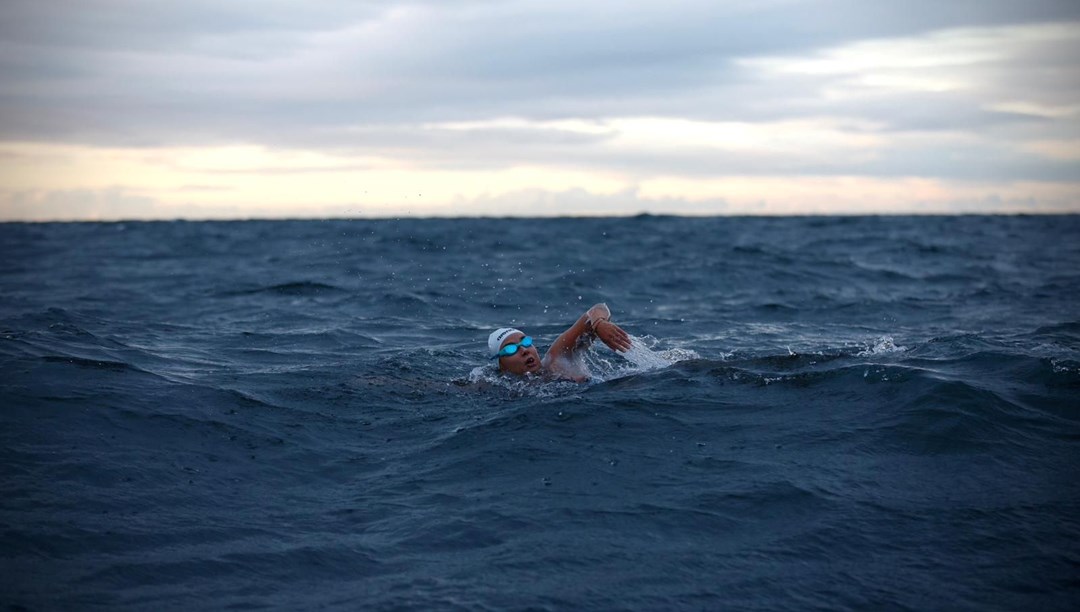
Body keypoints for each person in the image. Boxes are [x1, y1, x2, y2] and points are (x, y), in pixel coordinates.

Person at [488, 303, 633, 382]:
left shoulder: (557, 359)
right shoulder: (501, 388)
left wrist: (598, 323)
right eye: (511, 349)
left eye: (525, 342)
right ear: (501, 366)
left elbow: (597, 309)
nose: (524, 350)